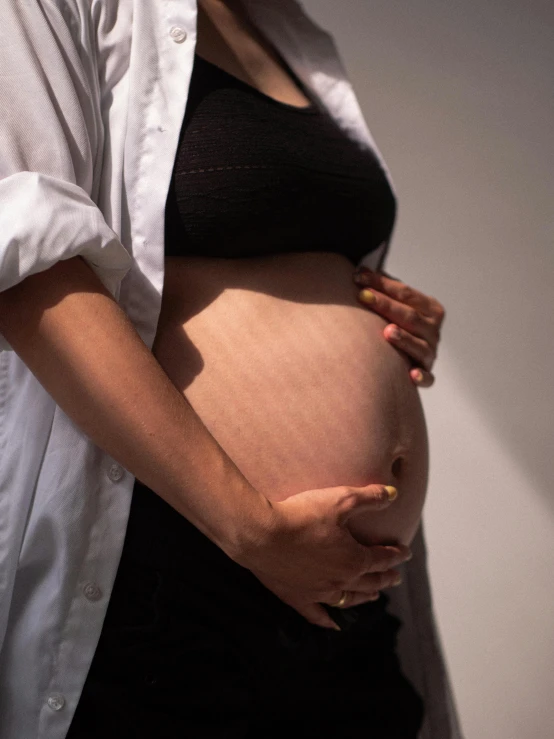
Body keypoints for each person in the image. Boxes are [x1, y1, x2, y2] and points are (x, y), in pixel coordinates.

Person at [0, 0, 462, 737]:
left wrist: (386, 313)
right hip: (174, 562)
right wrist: (252, 530)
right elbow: (26, 266)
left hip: (341, 590)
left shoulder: (285, 28)